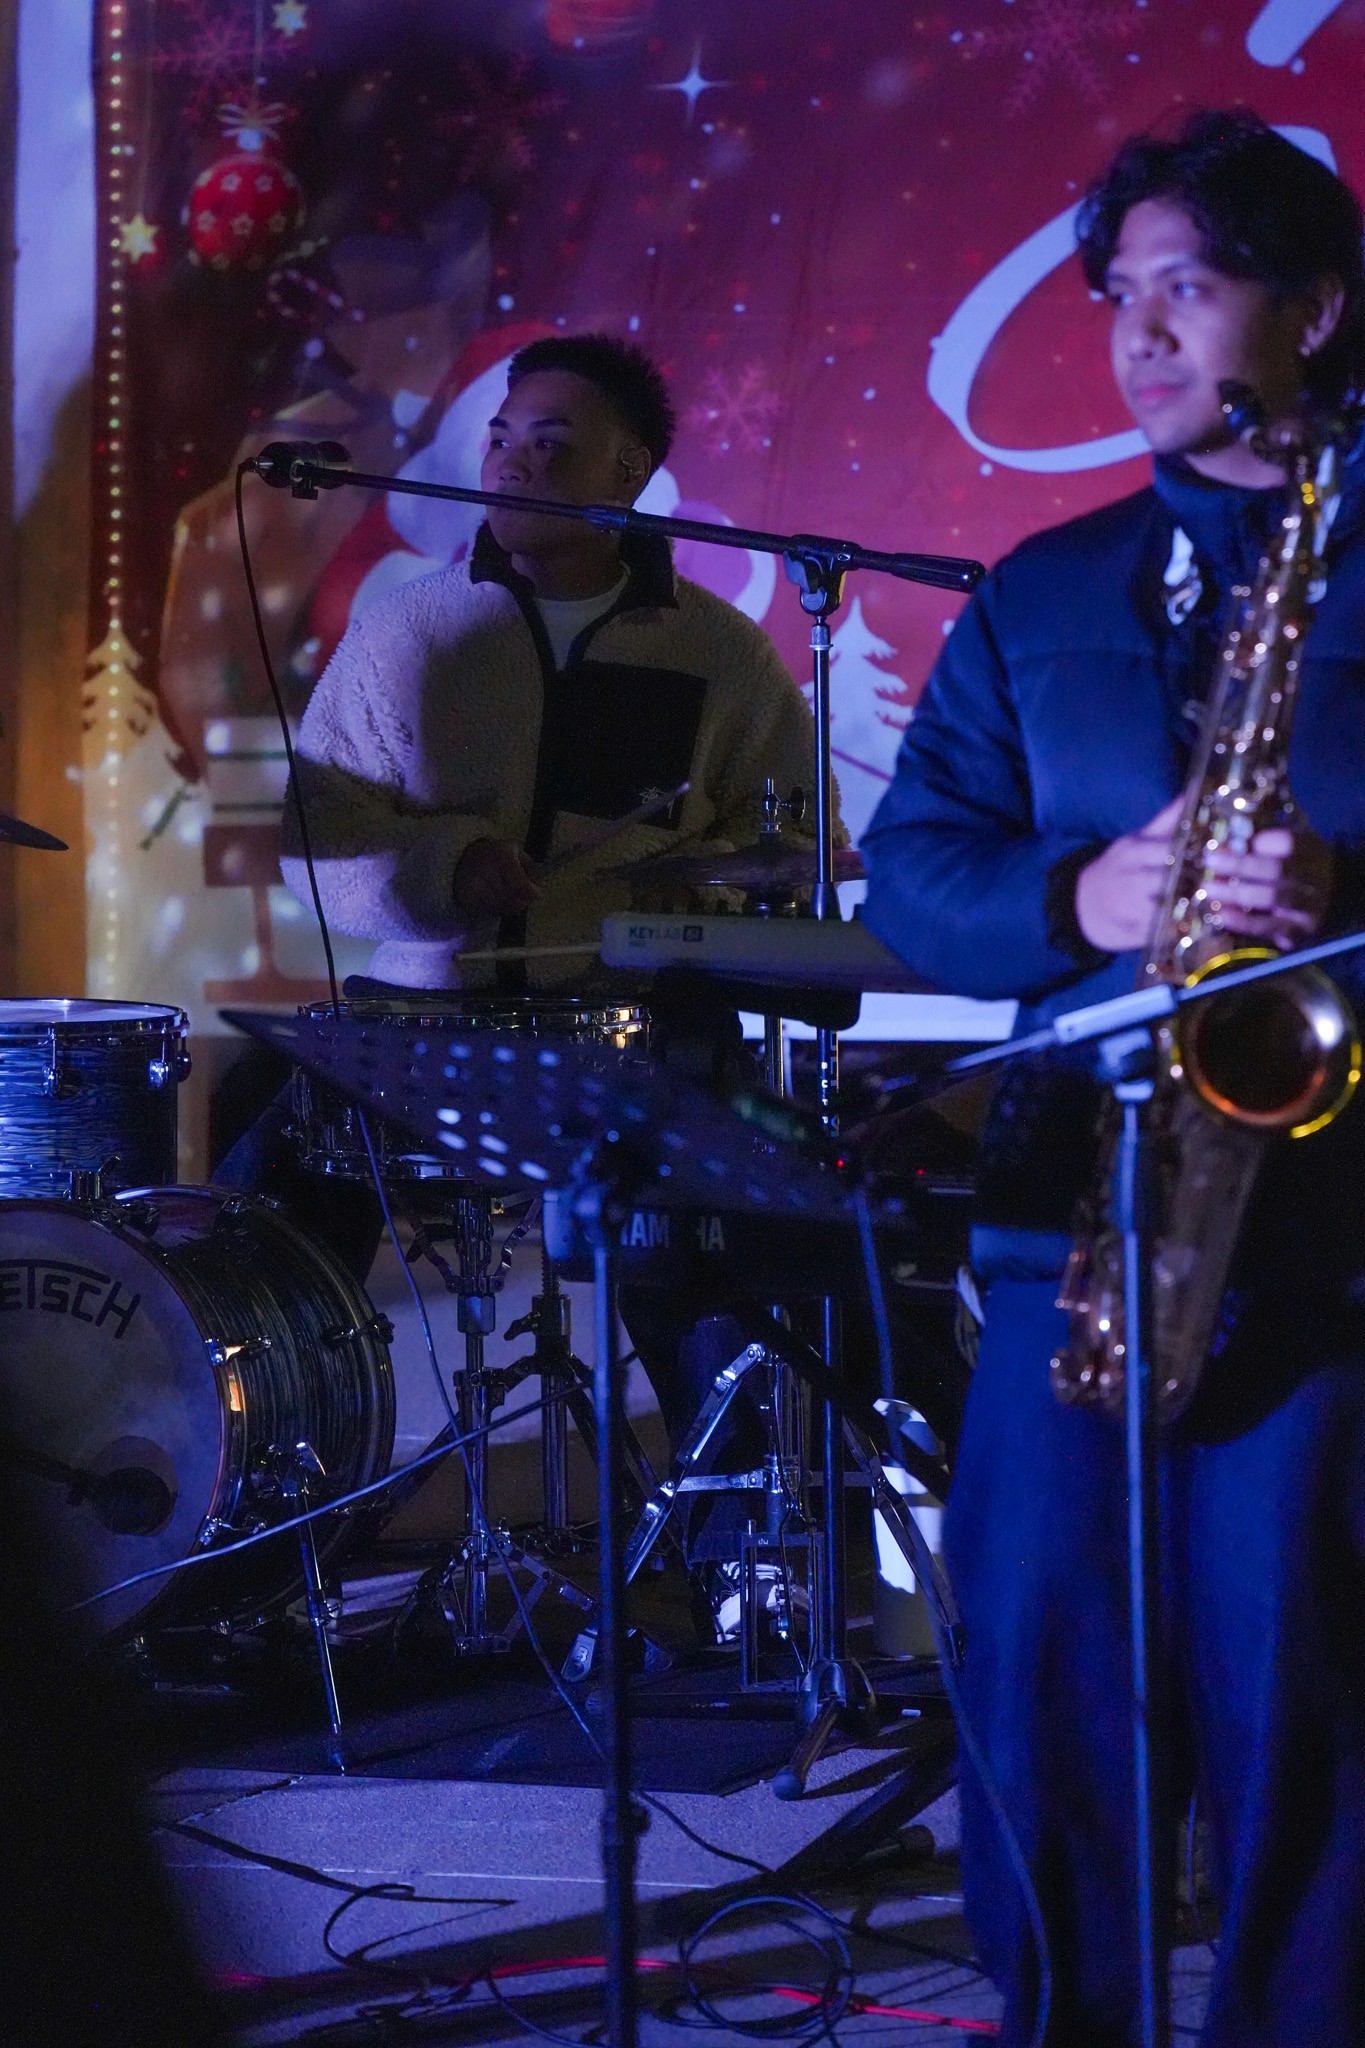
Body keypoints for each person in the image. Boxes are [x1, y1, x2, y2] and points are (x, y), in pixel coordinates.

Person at [862, 112, 1365, 2046]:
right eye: (1116, 295)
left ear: (1313, 309)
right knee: (1041, 1683)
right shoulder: (1046, 583)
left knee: (1303, 1698)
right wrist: (1077, 893)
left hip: (1323, 1228)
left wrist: (1334, 889)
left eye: (1188, 286)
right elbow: (917, 872)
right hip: (1067, 1212)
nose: (1137, 333)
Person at [266, 331, 835, 1625]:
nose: (513, 460)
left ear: (628, 474)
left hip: (625, 1018)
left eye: (553, 443)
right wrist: (447, 866)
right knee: (277, 1212)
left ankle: (744, 1560)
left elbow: (797, 840)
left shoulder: (718, 651)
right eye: (503, 437)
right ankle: (265, 1542)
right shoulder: (406, 622)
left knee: (710, 1229)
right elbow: (316, 829)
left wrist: (678, 898)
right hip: (426, 1010)